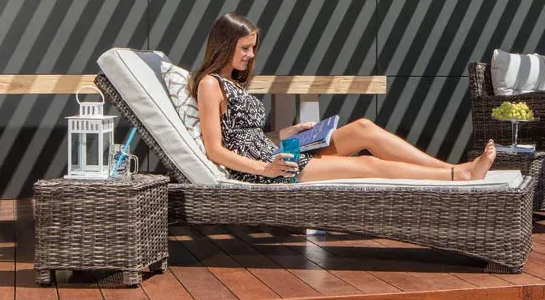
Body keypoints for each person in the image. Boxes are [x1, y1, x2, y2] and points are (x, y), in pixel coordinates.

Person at [190, 12, 497, 183]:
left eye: (253, 47)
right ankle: (459, 176)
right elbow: (215, 149)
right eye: (245, 47)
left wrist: (286, 133)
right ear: (224, 44)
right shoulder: (209, 84)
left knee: (363, 127)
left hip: (276, 151)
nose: (251, 54)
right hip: (266, 167)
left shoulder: (233, 83)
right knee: (367, 164)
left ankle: (450, 169)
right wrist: (265, 169)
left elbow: (246, 135)